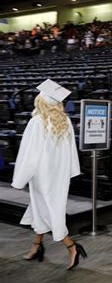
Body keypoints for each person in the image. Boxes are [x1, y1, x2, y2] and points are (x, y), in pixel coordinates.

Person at [11, 79, 85, 270]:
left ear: (40, 102)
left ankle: (71, 246)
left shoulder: (36, 122)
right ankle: (37, 245)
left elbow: (29, 154)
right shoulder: (65, 121)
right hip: (59, 174)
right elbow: (71, 151)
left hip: (42, 175)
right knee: (42, 207)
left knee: (48, 210)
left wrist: (20, 178)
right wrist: (71, 171)